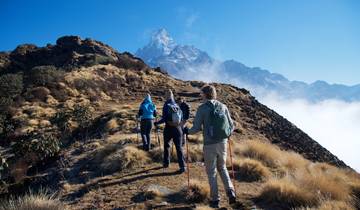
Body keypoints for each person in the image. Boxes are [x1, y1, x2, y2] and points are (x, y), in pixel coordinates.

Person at [183, 85, 236, 208]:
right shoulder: (223, 106)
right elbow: (232, 126)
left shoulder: (202, 109)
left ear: (205, 94)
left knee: (211, 172)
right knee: (222, 168)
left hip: (209, 144)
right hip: (223, 143)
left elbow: (196, 128)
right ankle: (230, 191)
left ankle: (215, 200)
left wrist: (186, 131)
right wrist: (226, 135)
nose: (200, 96)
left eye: (201, 94)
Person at [154, 89, 186, 173]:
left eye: (165, 95)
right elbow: (182, 118)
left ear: (167, 95)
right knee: (179, 148)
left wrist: (157, 123)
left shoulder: (166, 104)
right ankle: (182, 166)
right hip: (178, 129)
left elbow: (164, 119)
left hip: (169, 128)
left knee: (167, 146)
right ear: (172, 95)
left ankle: (166, 163)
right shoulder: (177, 105)